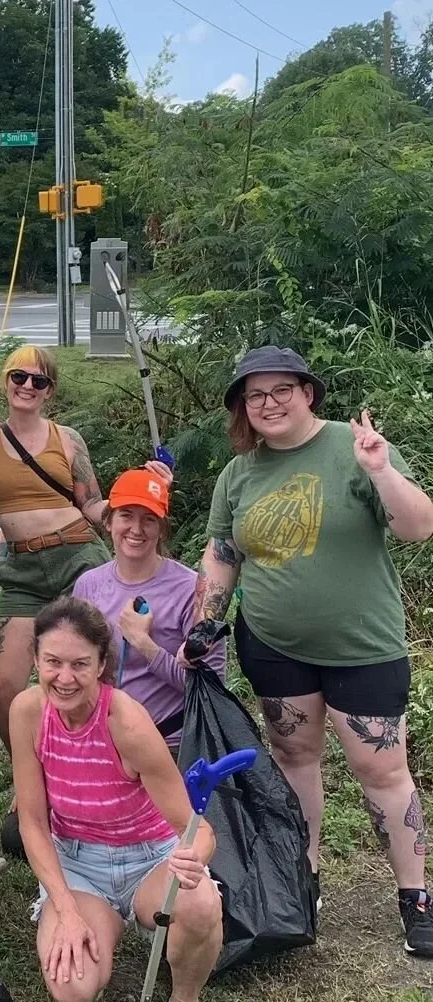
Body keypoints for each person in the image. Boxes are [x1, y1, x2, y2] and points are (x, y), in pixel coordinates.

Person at [180, 345, 433, 956]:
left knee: (383, 771)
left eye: (281, 390)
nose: (268, 403)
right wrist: (206, 621)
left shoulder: (357, 449)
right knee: (295, 760)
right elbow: (223, 553)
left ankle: (416, 897)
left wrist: (380, 470)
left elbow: (418, 525)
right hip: (272, 646)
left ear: (307, 392)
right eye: (255, 394)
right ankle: (303, 877)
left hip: (362, 647)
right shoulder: (239, 472)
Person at [0, 338, 170, 750]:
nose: (27, 386)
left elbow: (92, 503)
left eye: (39, 380)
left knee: (97, 669)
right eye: (18, 376)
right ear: (6, 382)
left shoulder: (67, 439)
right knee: (2, 685)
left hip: (78, 557)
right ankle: (32, 767)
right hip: (23, 572)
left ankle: (99, 754)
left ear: (49, 390)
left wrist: (141, 494)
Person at [11, 597, 222, 1002]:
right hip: (77, 862)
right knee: (73, 988)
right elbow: (32, 822)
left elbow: (198, 830)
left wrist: (193, 860)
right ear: (34, 658)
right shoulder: (27, 712)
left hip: (150, 857)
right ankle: (103, 921)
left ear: (101, 662)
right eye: (52, 661)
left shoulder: (127, 723)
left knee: (199, 902)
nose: (64, 678)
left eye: (80, 664)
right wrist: (66, 910)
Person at [73, 467, 226, 753]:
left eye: (149, 519)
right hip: (104, 741)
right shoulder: (88, 586)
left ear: (161, 528)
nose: (136, 529)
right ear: (108, 522)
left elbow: (211, 690)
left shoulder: (191, 590)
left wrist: (145, 645)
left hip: (173, 745)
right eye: (126, 515)